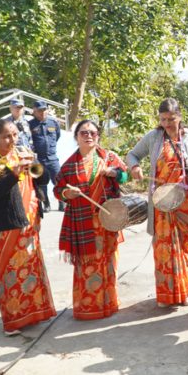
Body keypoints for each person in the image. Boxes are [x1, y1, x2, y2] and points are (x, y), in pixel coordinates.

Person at [127, 98, 188, 307]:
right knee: (163, 249)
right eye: (163, 119)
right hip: (161, 205)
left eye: (171, 119)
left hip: (185, 204)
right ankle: (166, 294)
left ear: (180, 117)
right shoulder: (154, 137)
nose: (167, 123)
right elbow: (132, 155)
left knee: (187, 247)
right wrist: (135, 167)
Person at [0, 119, 56, 335]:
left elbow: (43, 179)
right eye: (6, 136)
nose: (12, 140)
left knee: (30, 268)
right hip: (5, 225)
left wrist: (34, 165)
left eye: (14, 134)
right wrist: (14, 174)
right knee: (10, 272)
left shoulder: (22, 153)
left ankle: (35, 312)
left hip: (30, 223)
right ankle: (13, 320)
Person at [54, 120, 129, 320]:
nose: (89, 136)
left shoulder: (108, 157)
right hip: (83, 222)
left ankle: (109, 303)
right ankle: (88, 307)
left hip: (107, 221)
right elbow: (58, 190)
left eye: (93, 133)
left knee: (109, 262)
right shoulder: (69, 165)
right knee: (87, 265)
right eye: (84, 133)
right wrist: (67, 194)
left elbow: (124, 176)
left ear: (98, 136)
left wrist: (113, 173)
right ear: (76, 137)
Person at [29, 101, 62, 212]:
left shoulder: (53, 122)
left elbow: (57, 136)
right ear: (34, 111)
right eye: (39, 111)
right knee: (42, 183)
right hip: (38, 159)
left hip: (52, 158)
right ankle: (46, 204)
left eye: (44, 110)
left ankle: (61, 204)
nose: (42, 112)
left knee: (59, 181)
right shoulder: (30, 124)